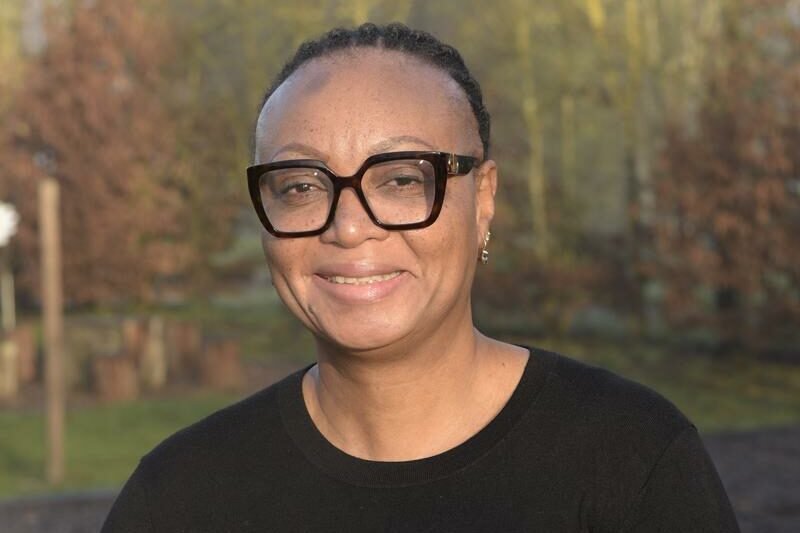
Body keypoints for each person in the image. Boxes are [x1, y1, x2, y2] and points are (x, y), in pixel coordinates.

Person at [101, 22, 740, 532]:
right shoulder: (180, 498)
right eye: (301, 186)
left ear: (483, 199)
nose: (349, 227)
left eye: (402, 179)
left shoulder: (630, 459)